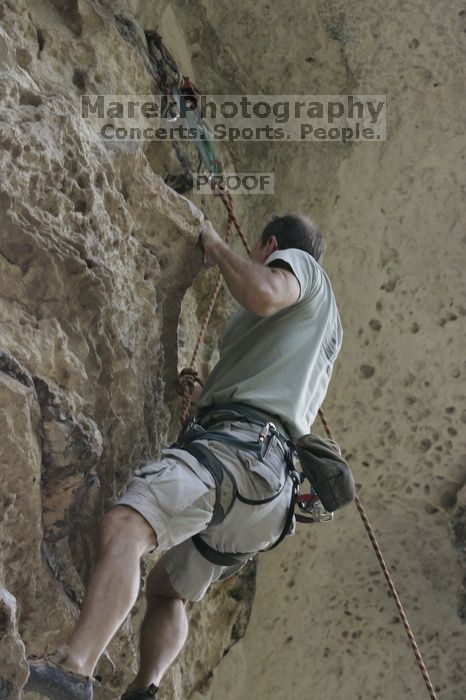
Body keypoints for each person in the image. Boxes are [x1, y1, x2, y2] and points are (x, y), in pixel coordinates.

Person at [26, 212, 343, 699]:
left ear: (272, 247)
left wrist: (215, 246)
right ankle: (146, 688)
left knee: (128, 526)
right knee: (167, 589)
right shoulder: (324, 331)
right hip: (267, 497)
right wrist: (208, 399)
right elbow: (271, 386)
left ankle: (74, 671)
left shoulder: (300, 267)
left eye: (263, 255)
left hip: (236, 457)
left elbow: (261, 293)